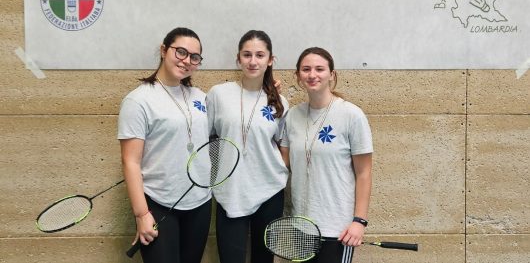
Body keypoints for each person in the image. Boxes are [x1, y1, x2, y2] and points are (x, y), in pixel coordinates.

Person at [118, 27, 211, 263]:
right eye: (180, 52)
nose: (186, 60)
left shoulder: (201, 97)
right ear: (163, 50)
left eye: (194, 57)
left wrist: (269, 90)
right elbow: (130, 161)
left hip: (200, 202)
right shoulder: (138, 100)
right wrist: (142, 214)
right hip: (159, 202)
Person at [280, 47, 373, 263]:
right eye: (306, 69)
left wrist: (359, 221)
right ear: (298, 76)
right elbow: (282, 162)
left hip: (338, 229)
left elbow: (364, 173)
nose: (313, 75)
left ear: (331, 75)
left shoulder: (351, 115)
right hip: (301, 226)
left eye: (320, 69)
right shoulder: (293, 115)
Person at [206, 30, 289, 263]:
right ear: (238, 58)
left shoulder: (280, 102)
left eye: (260, 55)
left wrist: (270, 170)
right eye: (247, 54)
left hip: (269, 191)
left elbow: (284, 147)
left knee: (263, 259)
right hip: (230, 191)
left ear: (270, 60)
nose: (253, 61)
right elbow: (207, 139)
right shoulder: (218, 94)